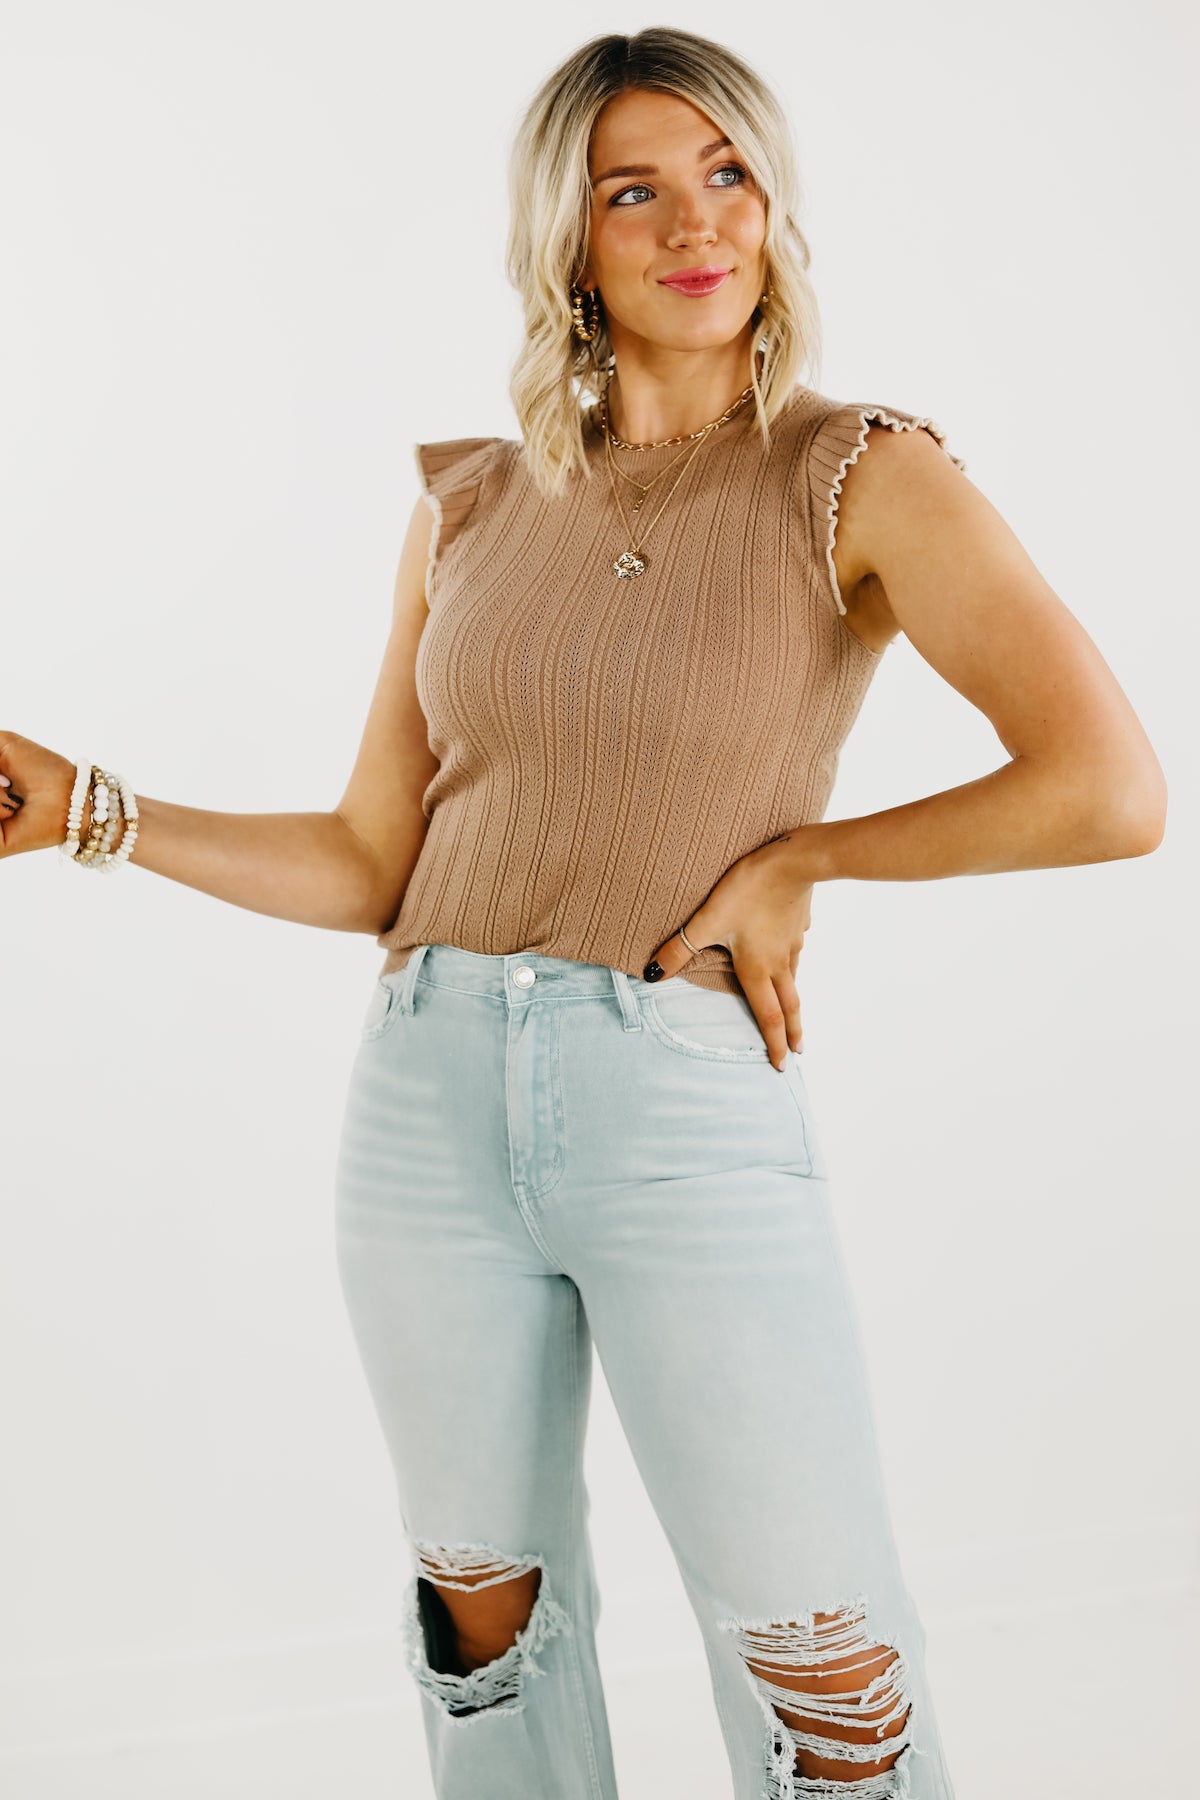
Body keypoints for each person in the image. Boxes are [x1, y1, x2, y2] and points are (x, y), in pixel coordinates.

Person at [0, 26, 1167, 1800]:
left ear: (774, 203)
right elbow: (376, 862)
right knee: (484, 1624)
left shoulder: (858, 471)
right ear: (568, 238)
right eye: (635, 191)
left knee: (823, 1662)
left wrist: (800, 863)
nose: (696, 224)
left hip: (678, 1102)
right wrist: (96, 809)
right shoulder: (472, 500)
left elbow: (1107, 788)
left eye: (728, 173)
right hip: (424, 1105)